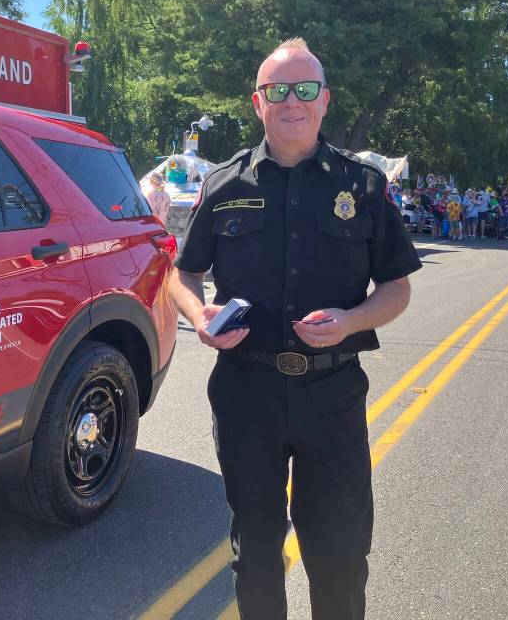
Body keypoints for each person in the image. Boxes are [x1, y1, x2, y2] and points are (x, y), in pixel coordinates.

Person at [168, 38, 421, 620]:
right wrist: (198, 313)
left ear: (324, 100)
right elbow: (181, 275)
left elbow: (398, 287)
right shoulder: (224, 185)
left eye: (304, 89)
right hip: (245, 393)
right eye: (277, 90)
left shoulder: (362, 187)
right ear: (258, 103)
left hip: (331, 396)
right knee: (254, 555)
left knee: (337, 555)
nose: (291, 101)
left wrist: (354, 320)